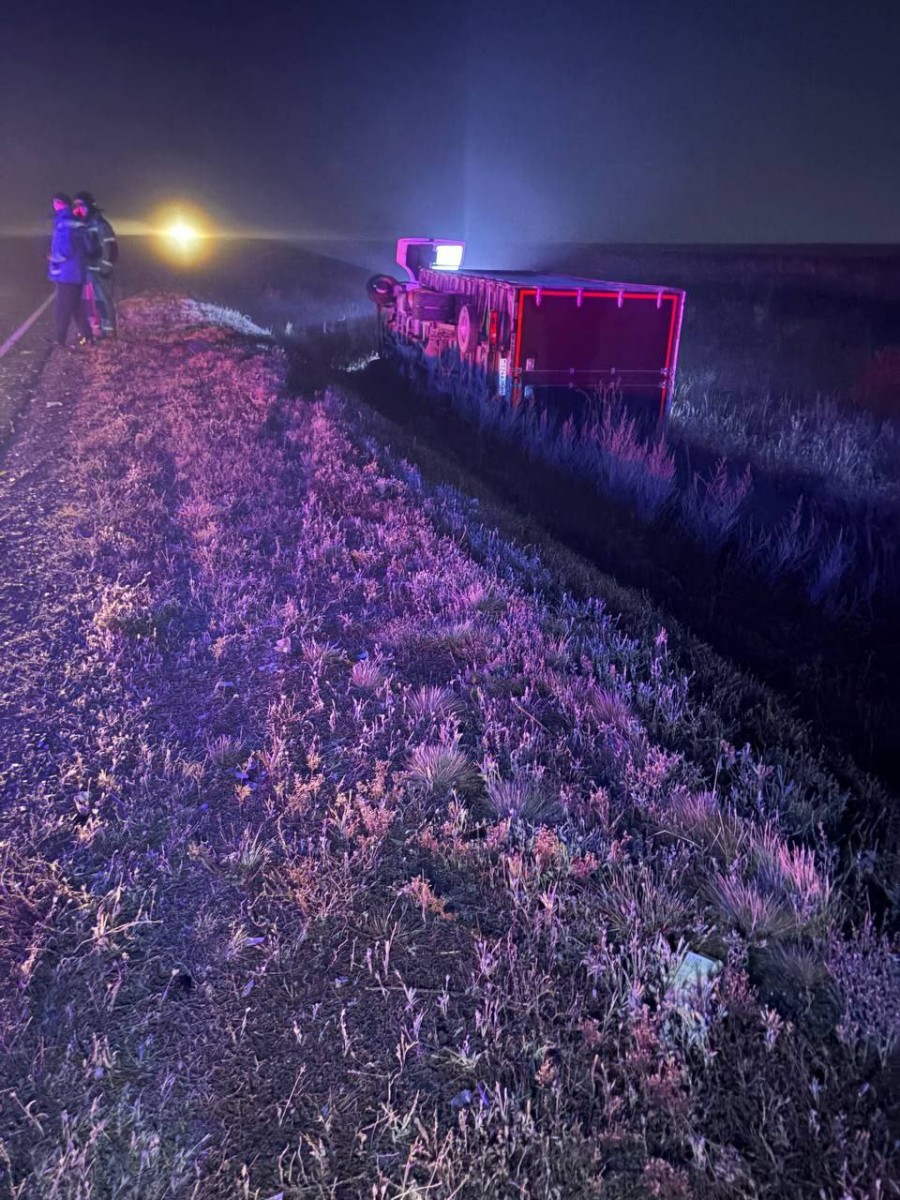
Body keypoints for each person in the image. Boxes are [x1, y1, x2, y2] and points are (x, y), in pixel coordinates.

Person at [47, 192, 93, 348]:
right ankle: (88, 336)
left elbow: (66, 248)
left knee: (63, 309)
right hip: (77, 272)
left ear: (59, 203)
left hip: (67, 273)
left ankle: (59, 340)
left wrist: (54, 258)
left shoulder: (63, 221)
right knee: (76, 307)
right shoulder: (75, 220)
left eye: (55, 202)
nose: (54, 205)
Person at [73, 191, 118, 337]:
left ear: (89, 205)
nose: (79, 208)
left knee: (103, 301)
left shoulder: (100, 224)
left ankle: (109, 333)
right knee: (89, 303)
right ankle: (95, 332)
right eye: (76, 205)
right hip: (87, 270)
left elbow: (110, 247)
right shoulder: (83, 225)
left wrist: (105, 268)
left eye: (81, 204)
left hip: (100, 271)